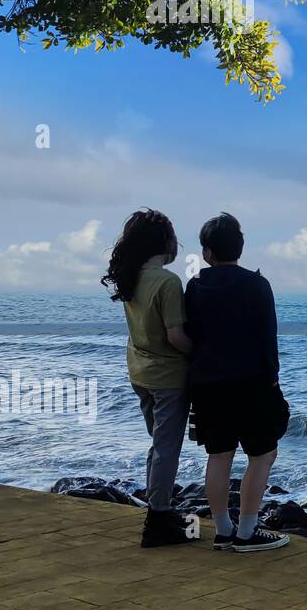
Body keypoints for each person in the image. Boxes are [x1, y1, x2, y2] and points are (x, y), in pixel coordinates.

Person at [184, 212, 290, 553]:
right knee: (262, 454)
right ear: (239, 249)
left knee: (219, 455)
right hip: (253, 384)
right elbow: (267, 339)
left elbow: (192, 335)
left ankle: (224, 530)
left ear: (207, 253)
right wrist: (273, 384)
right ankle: (247, 530)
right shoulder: (258, 285)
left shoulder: (195, 287)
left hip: (207, 385)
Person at [102, 209, 194, 548]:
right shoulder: (168, 281)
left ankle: (159, 508)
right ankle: (158, 519)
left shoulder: (132, 276)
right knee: (167, 448)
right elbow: (176, 337)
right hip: (168, 376)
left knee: (158, 444)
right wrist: (201, 353)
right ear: (166, 242)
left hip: (139, 372)